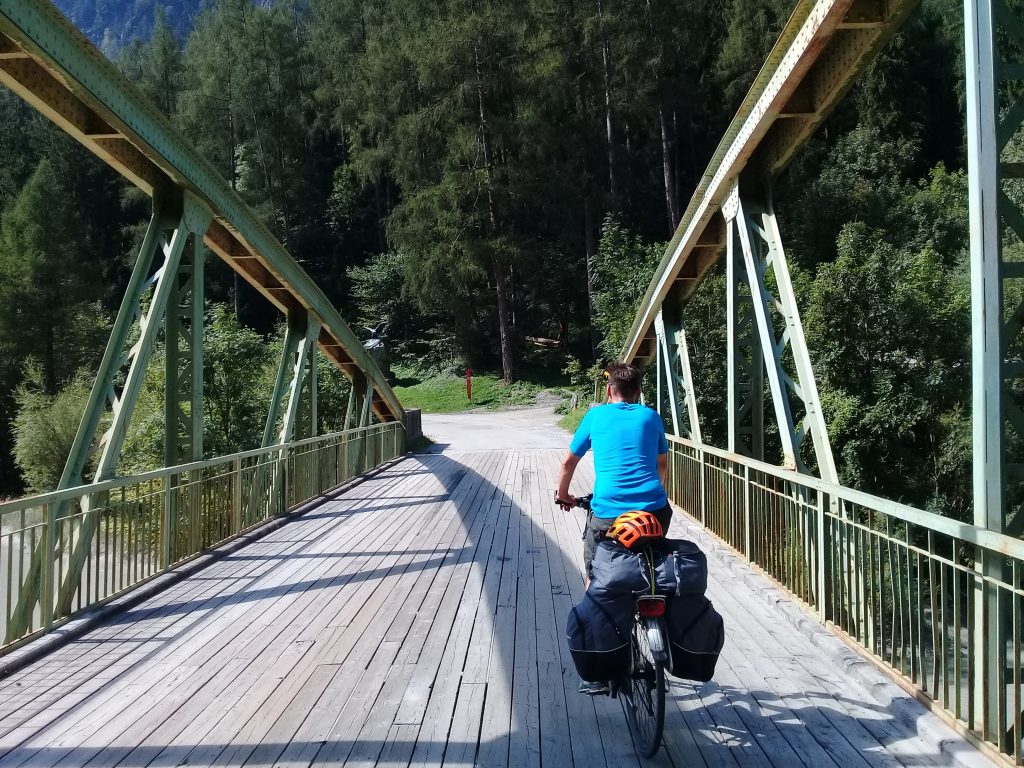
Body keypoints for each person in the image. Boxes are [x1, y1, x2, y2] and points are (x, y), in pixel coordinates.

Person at [555, 362, 671, 587]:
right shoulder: (651, 416)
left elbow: (568, 464)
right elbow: (662, 466)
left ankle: (593, 603)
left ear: (609, 390)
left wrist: (563, 495)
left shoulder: (595, 416)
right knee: (654, 559)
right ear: (638, 391)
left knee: (595, 575)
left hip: (609, 512)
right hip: (654, 511)